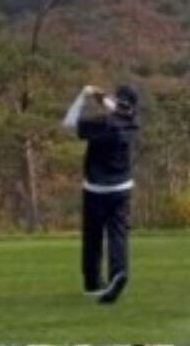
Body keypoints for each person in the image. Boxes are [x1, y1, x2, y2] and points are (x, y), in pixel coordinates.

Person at [63, 83, 141, 304]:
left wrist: (83, 95)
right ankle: (118, 273)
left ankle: (92, 282)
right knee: (118, 234)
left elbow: (69, 122)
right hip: (122, 187)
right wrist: (102, 98)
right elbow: (119, 110)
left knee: (93, 237)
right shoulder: (133, 123)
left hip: (96, 188)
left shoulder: (102, 124)